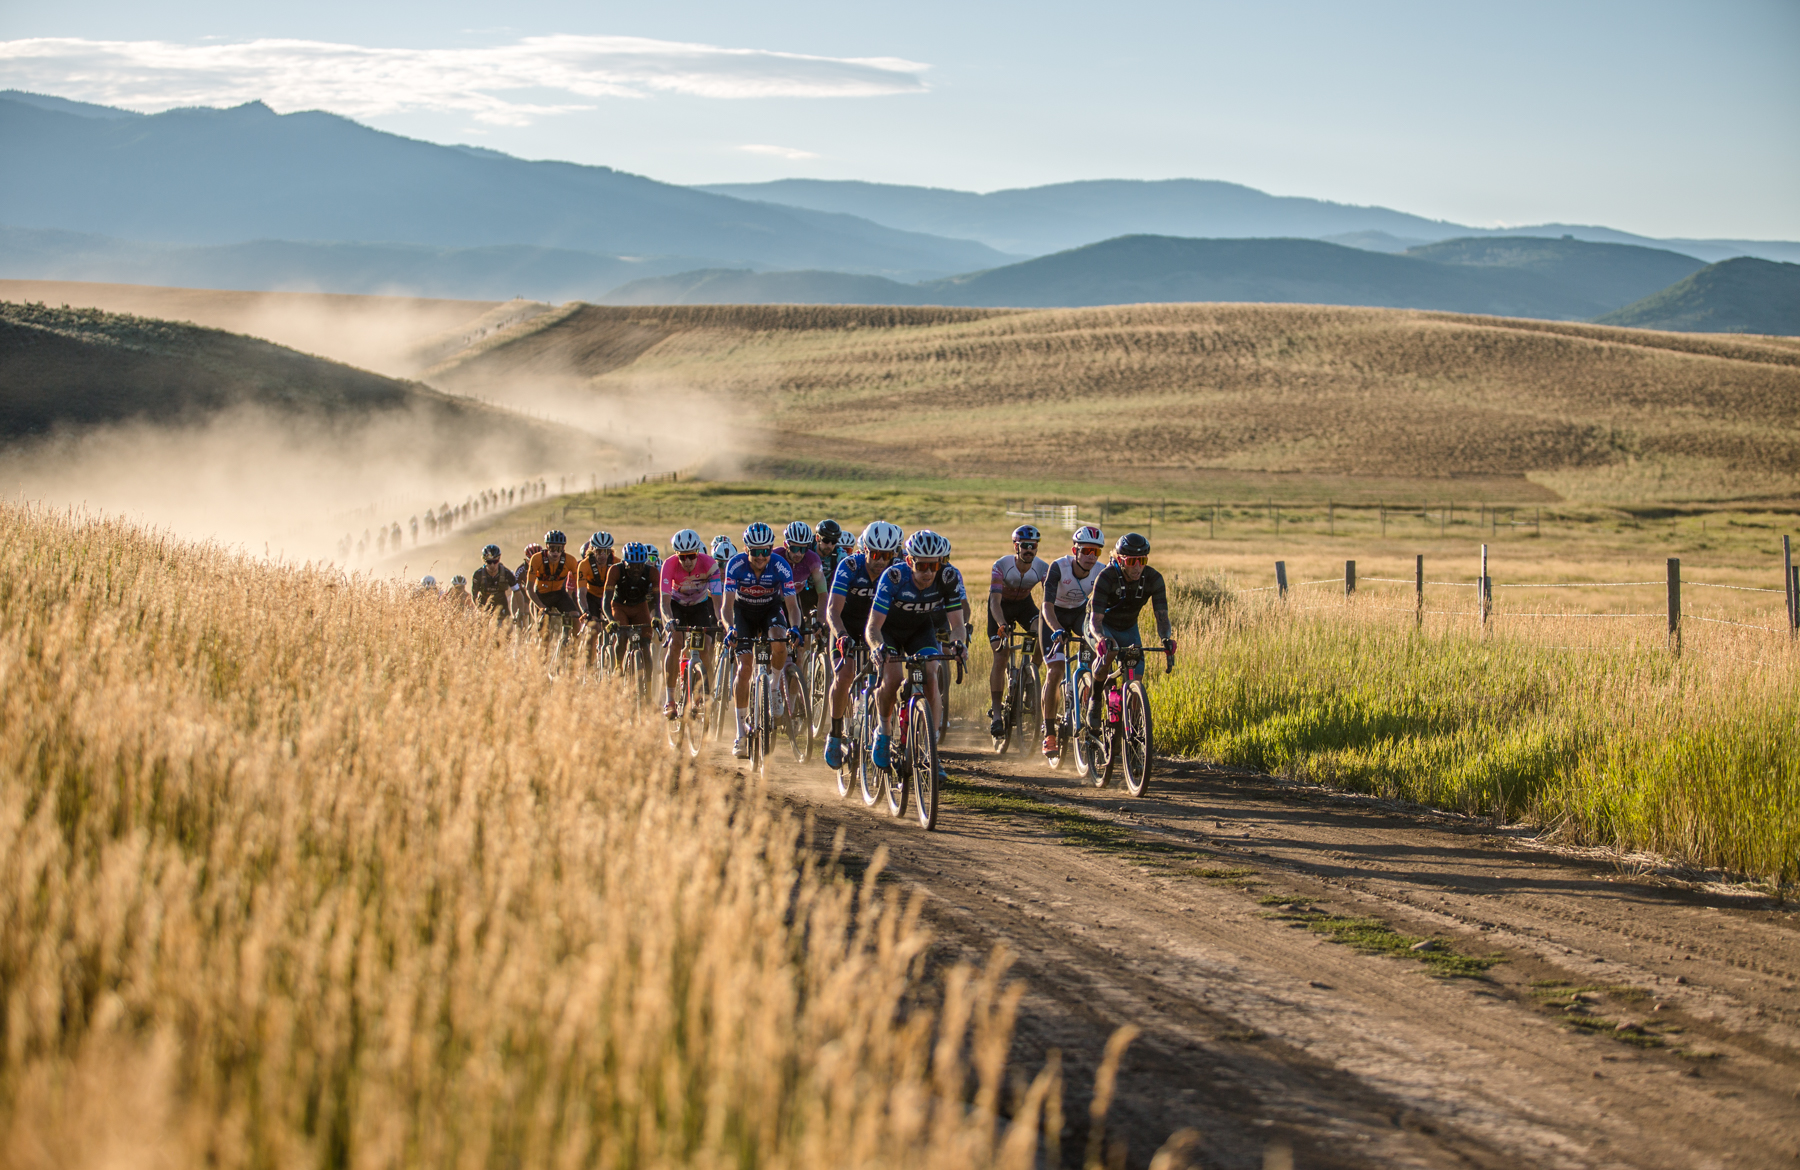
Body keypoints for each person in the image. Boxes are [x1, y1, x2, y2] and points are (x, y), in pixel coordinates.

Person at [866, 529, 967, 778]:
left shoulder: (948, 577)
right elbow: (873, 626)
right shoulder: (894, 577)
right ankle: (883, 731)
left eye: (934, 566)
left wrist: (958, 644)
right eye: (922, 566)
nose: (928, 573)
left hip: (920, 631)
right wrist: (877, 647)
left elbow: (958, 625)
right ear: (910, 561)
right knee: (892, 679)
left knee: (932, 676)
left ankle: (931, 750)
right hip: (888, 632)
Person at [822, 520, 902, 768]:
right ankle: (835, 734)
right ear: (864, 550)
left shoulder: (896, 570)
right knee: (845, 675)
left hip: (876, 628)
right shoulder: (850, 566)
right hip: (846, 625)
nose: (881, 561)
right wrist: (841, 635)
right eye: (876, 554)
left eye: (887, 555)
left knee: (888, 677)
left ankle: (882, 730)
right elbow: (832, 610)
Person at [721, 522, 802, 759]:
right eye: (755, 551)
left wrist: (795, 627)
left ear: (771, 549)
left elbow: (792, 605)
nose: (760, 556)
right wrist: (730, 628)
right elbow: (726, 606)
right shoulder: (735, 565)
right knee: (744, 669)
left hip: (770, 610)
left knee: (779, 640)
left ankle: (774, 688)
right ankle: (740, 735)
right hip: (743, 613)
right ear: (746, 549)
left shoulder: (780, 565)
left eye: (765, 551)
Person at [1084, 532, 1177, 728]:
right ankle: (1095, 700)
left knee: (1136, 675)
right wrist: (1101, 639)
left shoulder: (1153, 578)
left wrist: (1166, 639)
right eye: (1132, 561)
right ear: (1120, 560)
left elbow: (1162, 617)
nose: (1137, 567)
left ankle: (1133, 728)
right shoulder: (1106, 577)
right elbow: (1095, 620)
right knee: (1110, 651)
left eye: (1142, 561)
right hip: (1101, 625)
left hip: (1128, 627)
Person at [1040, 525, 1106, 754]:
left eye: (1096, 552)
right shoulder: (1059, 567)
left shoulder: (1101, 571)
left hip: (1079, 614)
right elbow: (1046, 606)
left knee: (1096, 656)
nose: (1091, 556)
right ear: (1074, 550)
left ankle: (1087, 699)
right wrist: (1057, 629)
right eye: (1086, 550)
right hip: (1053, 616)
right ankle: (1049, 733)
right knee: (1055, 670)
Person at [987, 524, 1049, 738]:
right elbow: (994, 602)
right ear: (1016, 547)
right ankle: (996, 715)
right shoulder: (1001, 566)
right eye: (1024, 546)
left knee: (1042, 631)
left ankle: (1030, 677)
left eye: (1033, 545)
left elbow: (1050, 600)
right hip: (1000, 607)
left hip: (1024, 605)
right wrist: (1001, 623)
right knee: (1001, 655)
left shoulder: (1042, 568)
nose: (1029, 550)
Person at [659, 528, 721, 718]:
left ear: (698, 553)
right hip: (676, 606)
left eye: (691, 556)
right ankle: (670, 699)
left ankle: (705, 694)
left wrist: (721, 621)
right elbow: (664, 603)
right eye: (682, 557)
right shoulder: (669, 565)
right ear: (676, 555)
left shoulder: (710, 565)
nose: (687, 561)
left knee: (706, 649)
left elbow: (717, 601)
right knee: (676, 643)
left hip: (699, 607)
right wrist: (668, 620)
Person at [603, 542, 660, 669]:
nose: (636, 570)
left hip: (640, 607)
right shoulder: (615, 570)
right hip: (620, 607)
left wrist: (657, 617)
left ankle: (649, 680)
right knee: (622, 636)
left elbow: (658, 600)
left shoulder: (652, 572)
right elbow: (606, 601)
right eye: (632, 566)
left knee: (646, 645)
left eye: (640, 566)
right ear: (624, 563)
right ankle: (618, 667)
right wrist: (611, 620)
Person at [524, 531, 580, 641]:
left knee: (575, 617)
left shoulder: (570, 560)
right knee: (544, 632)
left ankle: (574, 645)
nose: (555, 552)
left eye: (559, 549)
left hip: (559, 594)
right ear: (547, 546)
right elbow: (529, 588)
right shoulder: (536, 559)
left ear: (563, 548)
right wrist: (540, 606)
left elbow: (579, 584)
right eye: (552, 548)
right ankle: (543, 649)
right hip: (541, 595)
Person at [576, 531, 618, 657]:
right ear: (592, 550)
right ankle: (589, 664)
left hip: (609, 597)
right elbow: (581, 593)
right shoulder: (584, 565)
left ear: (610, 551)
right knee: (593, 629)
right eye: (599, 551)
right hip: (592, 598)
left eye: (605, 551)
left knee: (616, 628)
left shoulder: (617, 563)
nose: (602, 555)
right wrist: (585, 611)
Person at [471, 544, 516, 616]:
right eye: (489, 562)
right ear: (484, 560)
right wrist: (479, 609)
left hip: (502, 605)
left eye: (495, 561)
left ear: (499, 559)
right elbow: (474, 595)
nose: (492, 565)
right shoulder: (478, 575)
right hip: (484, 606)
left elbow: (517, 592)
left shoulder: (507, 573)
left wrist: (520, 611)